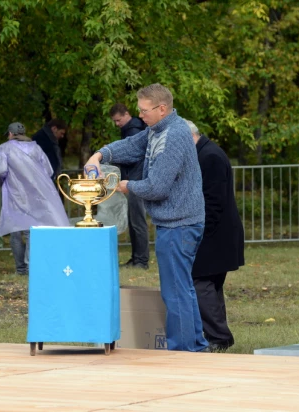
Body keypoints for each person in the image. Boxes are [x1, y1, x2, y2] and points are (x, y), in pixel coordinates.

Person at [85, 84, 209, 352]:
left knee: (174, 292)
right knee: (182, 288)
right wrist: (99, 155)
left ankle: (183, 351)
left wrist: (124, 185)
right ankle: (196, 345)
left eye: (144, 110)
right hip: (175, 222)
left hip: (180, 224)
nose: (140, 115)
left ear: (161, 109)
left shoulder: (174, 135)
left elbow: (157, 187)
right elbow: (131, 145)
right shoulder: (156, 130)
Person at [186, 120, 245, 352]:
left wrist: (200, 233)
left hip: (214, 234)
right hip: (218, 233)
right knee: (210, 284)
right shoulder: (208, 153)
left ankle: (219, 337)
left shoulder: (209, 157)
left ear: (189, 136)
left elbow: (213, 201)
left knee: (200, 282)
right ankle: (217, 335)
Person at [0, 122, 70, 274]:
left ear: (9, 134)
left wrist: (2, 185)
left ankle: (21, 268)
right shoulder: (36, 148)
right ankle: (30, 266)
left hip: (14, 194)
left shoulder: (3, 149)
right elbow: (48, 170)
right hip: (35, 195)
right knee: (31, 230)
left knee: (16, 230)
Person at [109, 103, 149, 270]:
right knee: (134, 221)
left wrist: (113, 159)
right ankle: (136, 258)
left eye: (118, 120)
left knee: (137, 221)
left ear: (126, 115)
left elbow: (132, 156)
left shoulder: (133, 130)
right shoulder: (132, 129)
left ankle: (141, 260)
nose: (117, 123)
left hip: (137, 180)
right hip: (134, 179)